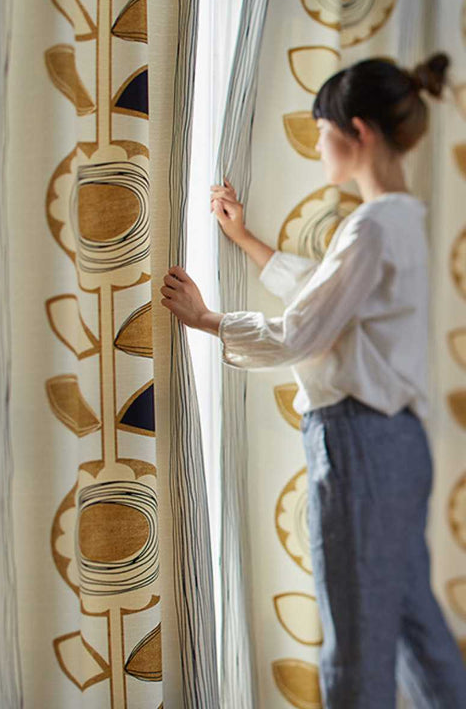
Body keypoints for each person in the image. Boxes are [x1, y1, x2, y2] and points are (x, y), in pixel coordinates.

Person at [160, 52, 466, 708]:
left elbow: (302, 330)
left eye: (323, 131)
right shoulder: (406, 221)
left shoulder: (371, 227)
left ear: (359, 132)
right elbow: (332, 297)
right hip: (401, 448)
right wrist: (247, 241)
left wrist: (207, 320)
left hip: (360, 446)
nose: (319, 145)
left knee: (356, 647)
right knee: (416, 631)